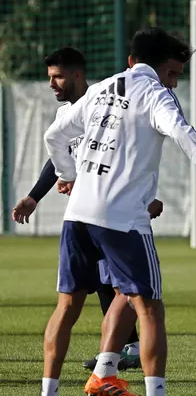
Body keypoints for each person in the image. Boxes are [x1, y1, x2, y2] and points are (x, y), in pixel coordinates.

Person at [39, 28, 196, 396]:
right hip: (121, 220)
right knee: (150, 308)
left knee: (67, 307)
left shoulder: (99, 89)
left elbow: (54, 135)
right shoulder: (154, 94)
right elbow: (183, 133)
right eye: (172, 73)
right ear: (153, 65)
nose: (175, 82)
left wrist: (69, 175)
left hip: (78, 213)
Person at [12, 48, 145, 373]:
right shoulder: (63, 118)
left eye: (57, 77)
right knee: (102, 280)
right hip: (86, 212)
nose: (52, 85)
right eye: (49, 78)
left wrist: (147, 195)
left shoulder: (106, 105)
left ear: (76, 75)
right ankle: (124, 349)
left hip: (116, 209)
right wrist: (34, 197)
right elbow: (58, 157)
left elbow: (135, 150)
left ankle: (129, 350)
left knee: (120, 284)